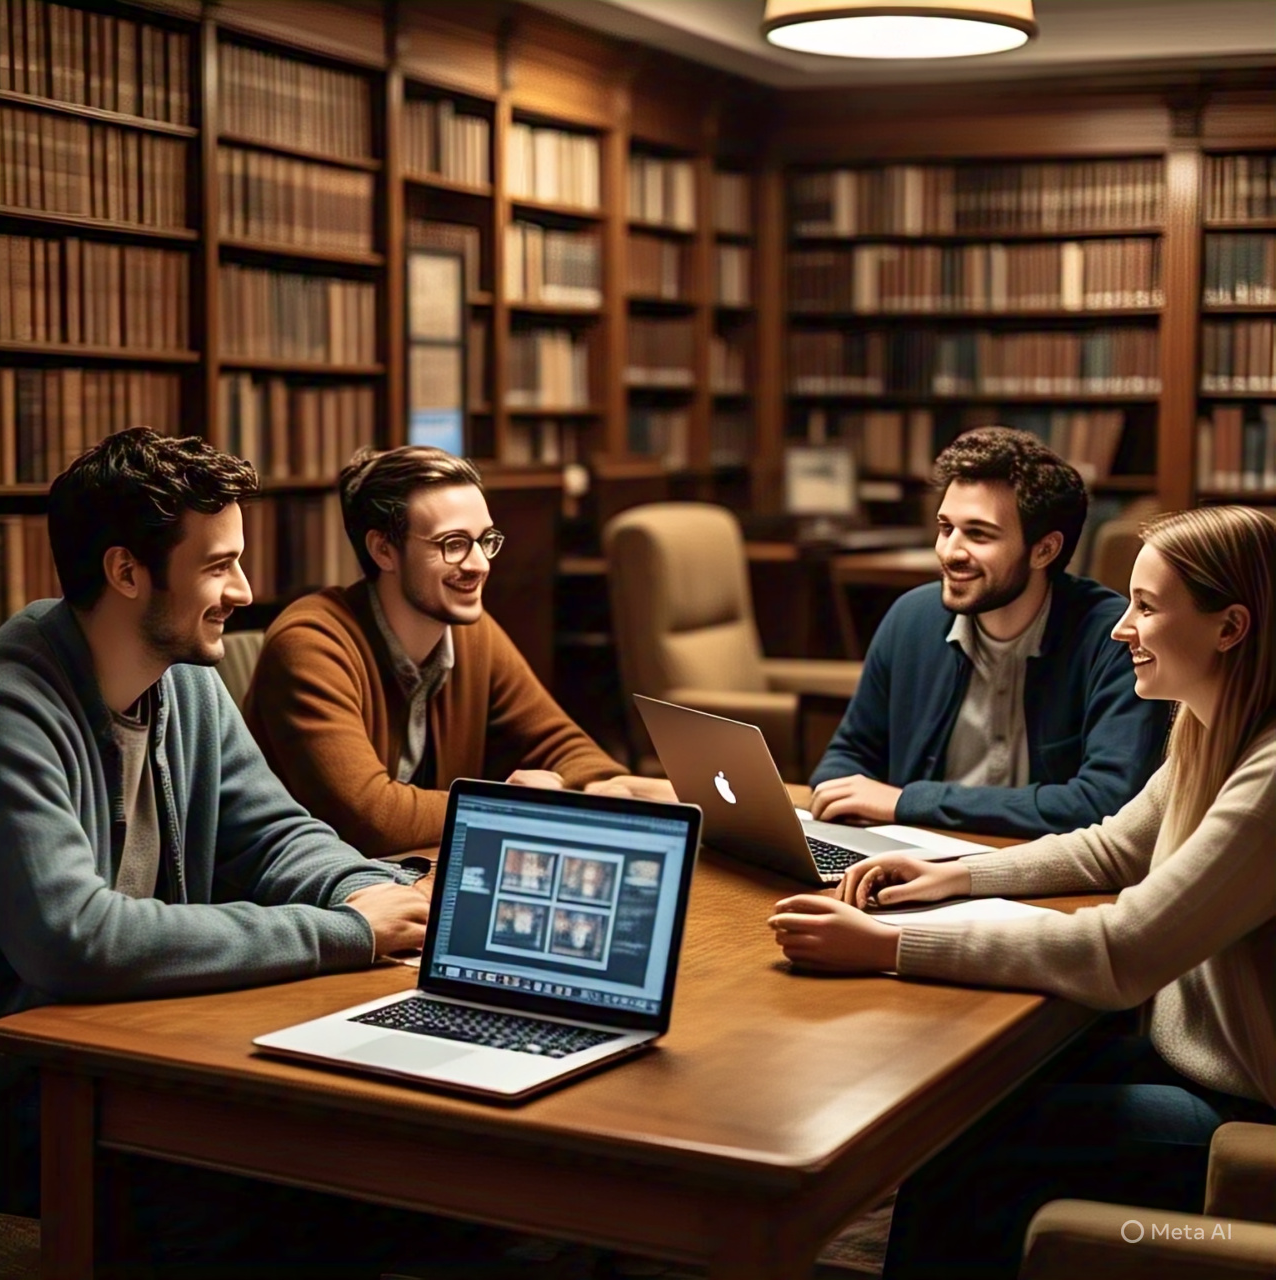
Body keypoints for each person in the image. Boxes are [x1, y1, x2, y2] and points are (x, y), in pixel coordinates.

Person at [770, 505, 1276, 1279]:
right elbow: (1115, 845)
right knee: (961, 1105)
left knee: (973, 1141)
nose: (1120, 629)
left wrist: (890, 945)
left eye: (1145, 607)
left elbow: (1125, 949)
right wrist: (954, 875)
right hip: (1191, 1062)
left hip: (1247, 1112)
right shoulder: (1210, 728)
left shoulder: (1268, 773)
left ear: (1229, 628)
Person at [0, 428, 437, 1272]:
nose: (243, 589)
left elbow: (272, 836)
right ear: (127, 572)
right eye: (217, 565)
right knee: (297, 1191)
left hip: (149, 1048)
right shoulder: (13, 703)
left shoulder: (185, 678)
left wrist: (376, 894)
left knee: (385, 1172)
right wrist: (345, 933)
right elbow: (75, 938)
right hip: (34, 1090)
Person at [244, 445, 671, 858]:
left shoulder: (471, 632)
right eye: (453, 544)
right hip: (312, 907)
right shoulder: (311, 643)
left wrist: (609, 787)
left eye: (485, 540)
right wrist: (514, 807)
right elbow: (372, 819)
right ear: (383, 550)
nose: (479, 563)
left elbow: (560, 744)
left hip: (413, 881)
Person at [810, 426, 1171, 837]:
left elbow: (1106, 802)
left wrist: (908, 801)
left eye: (978, 534)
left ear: (1045, 550)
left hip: (1042, 870)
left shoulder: (1115, 637)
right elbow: (846, 759)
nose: (949, 551)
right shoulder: (911, 618)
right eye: (946, 528)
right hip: (914, 854)